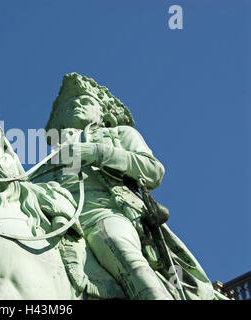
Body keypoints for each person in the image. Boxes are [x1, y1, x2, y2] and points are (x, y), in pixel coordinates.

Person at [34, 72, 218, 300]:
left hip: (103, 213)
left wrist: (97, 152)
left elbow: (153, 170)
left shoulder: (119, 134)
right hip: (57, 218)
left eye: (86, 101)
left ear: (102, 112)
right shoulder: (51, 158)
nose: (78, 105)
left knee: (118, 248)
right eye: (71, 104)